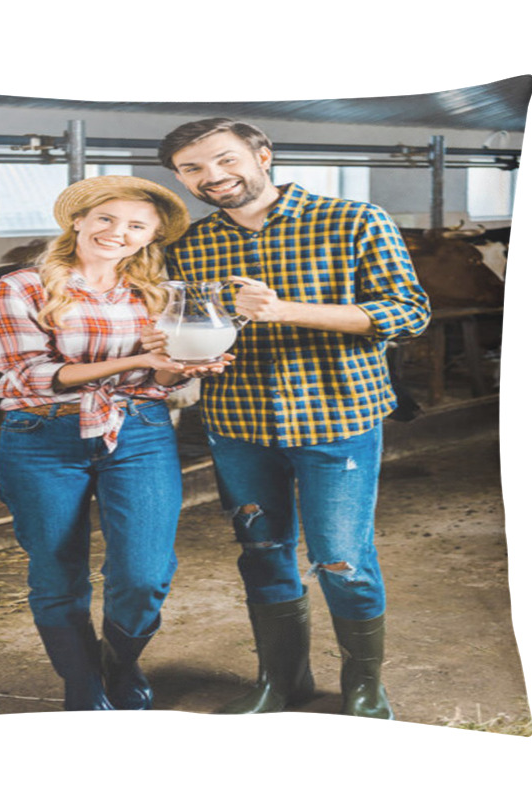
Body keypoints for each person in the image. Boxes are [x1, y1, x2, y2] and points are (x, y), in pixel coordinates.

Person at [145, 118, 431, 718]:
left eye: (225, 160)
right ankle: (282, 679)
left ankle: (363, 684)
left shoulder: (355, 220)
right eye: (192, 169)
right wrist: (179, 349)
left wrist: (285, 309)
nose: (212, 177)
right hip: (237, 420)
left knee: (341, 557)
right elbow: (190, 324)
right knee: (262, 548)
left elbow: (407, 313)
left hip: (337, 415)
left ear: (263, 155)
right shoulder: (191, 245)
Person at [0, 175, 222, 712]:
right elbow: (29, 373)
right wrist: (142, 360)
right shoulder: (21, 286)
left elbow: (165, 382)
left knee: (144, 575)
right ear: (79, 222)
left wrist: (181, 368)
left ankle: (119, 660)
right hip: (43, 434)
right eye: (106, 219)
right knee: (56, 572)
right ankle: (83, 686)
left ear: (150, 237)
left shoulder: (156, 294)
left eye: (136, 225)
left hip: (139, 431)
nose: (118, 232)